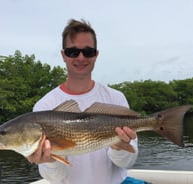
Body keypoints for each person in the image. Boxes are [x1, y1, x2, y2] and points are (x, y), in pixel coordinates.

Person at [27, 19, 138, 184]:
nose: (80, 57)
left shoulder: (116, 98)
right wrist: (49, 161)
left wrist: (119, 146)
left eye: (88, 51)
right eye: (73, 52)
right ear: (63, 55)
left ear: (96, 55)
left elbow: (127, 162)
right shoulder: (45, 106)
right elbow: (55, 178)